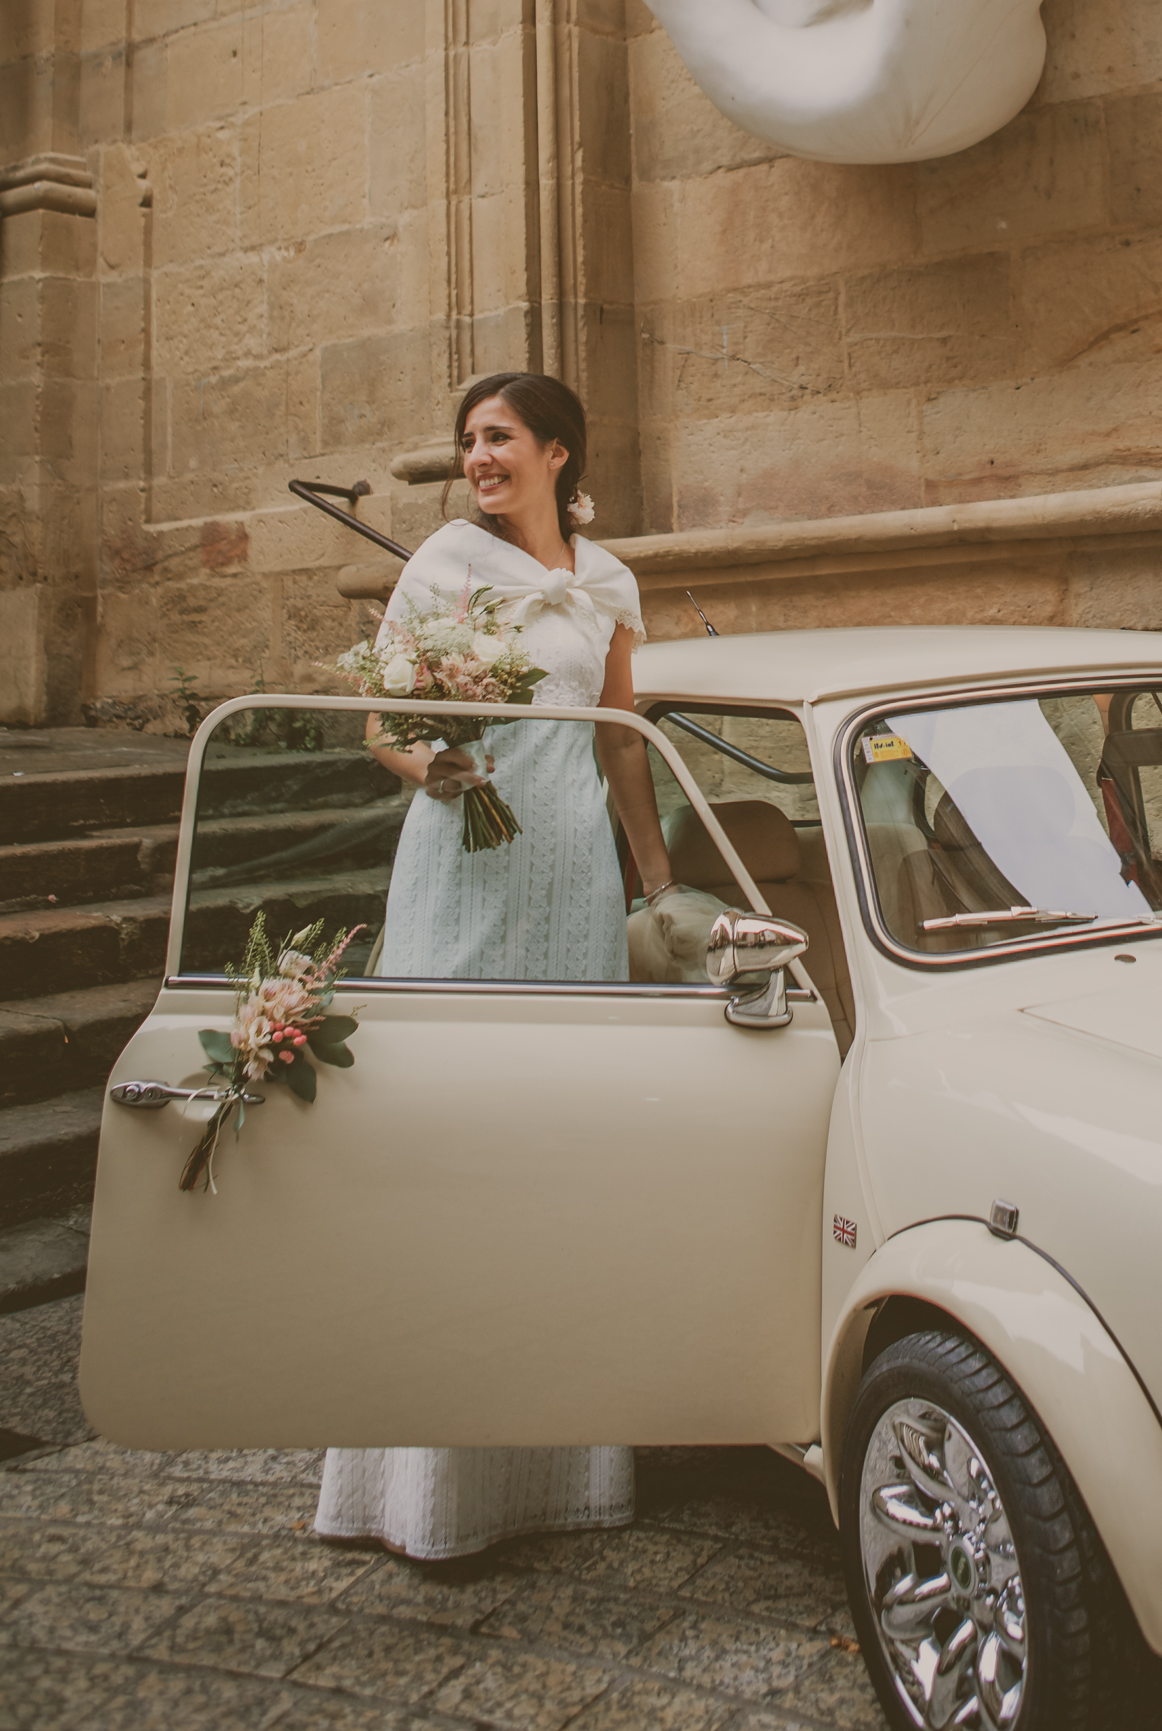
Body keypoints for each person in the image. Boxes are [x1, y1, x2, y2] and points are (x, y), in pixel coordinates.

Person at [315, 370, 678, 1562]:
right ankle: (419, 1488)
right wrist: (438, 767)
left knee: (558, 1134)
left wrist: (656, 878)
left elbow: (623, 745)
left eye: (499, 437)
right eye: (468, 440)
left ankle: (560, 1466)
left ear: (559, 451)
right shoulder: (440, 565)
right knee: (449, 1137)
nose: (477, 456)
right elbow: (384, 723)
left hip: (570, 872)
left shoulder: (607, 578)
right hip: (464, 863)